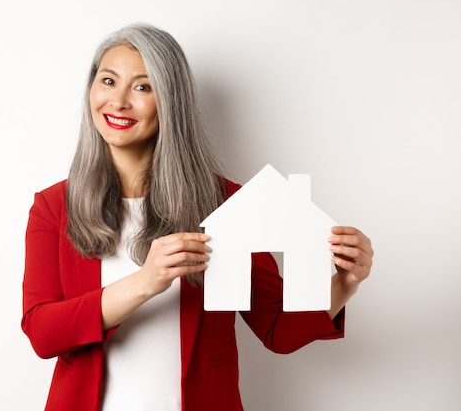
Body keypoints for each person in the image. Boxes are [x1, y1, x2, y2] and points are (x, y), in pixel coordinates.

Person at [21, 23, 373, 411]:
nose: (118, 102)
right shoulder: (55, 206)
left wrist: (344, 283)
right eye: (108, 80)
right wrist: (145, 282)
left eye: (143, 86)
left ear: (171, 101)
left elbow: (278, 331)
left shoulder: (226, 202)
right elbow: (43, 333)